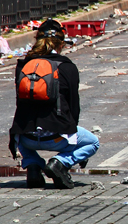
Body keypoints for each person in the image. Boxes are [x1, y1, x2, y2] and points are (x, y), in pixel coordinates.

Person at [9, 20, 99, 189]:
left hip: (26, 138)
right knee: (93, 142)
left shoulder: (23, 65)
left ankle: (33, 166)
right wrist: (73, 140)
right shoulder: (66, 67)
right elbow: (74, 107)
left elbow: (19, 103)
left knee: (19, 128)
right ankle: (60, 163)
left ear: (37, 39)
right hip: (56, 138)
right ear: (61, 43)